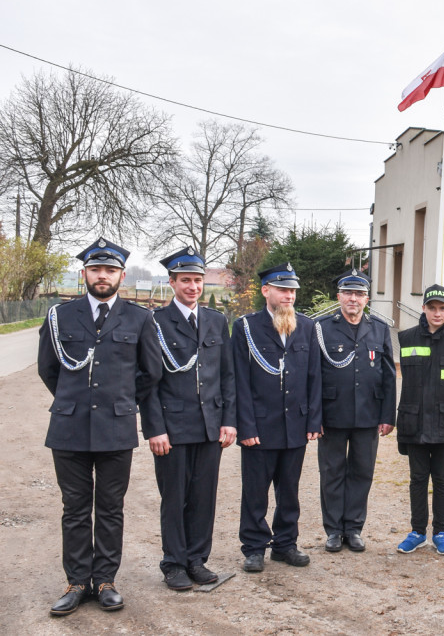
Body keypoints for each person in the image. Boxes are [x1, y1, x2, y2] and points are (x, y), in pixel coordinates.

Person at [38, 238, 162, 615]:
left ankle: (105, 580)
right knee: (74, 509)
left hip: (116, 428)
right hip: (70, 428)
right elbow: (49, 369)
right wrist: (72, 399)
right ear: (85, 274)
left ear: (121, 276)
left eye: (110, 270)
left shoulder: (140, 318)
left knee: (110, 508)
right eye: (96, 269)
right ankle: (76, 582)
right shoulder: (60, 316)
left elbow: (150, 371)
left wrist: (121, 400)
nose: (102, 276)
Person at [143, 247, 237, 591]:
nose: (193, 286)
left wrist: (229, 420)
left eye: (198, 280)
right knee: (174, 497)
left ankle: (197, 559)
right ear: (172, 283)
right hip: (173, 427)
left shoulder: (215, 320)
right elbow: (148, 381)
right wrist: (155, 428)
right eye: (186, 280)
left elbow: (227, 375)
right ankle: (174, 563)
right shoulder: (154, 322)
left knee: (203, 496)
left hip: (210, 425)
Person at [233, 263, 322, 572]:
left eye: (293, 290)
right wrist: (245, 424)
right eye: (283, 289)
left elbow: (314, 376)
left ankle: (285, 544)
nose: (289, 295)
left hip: (295, 425)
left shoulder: (308, 327)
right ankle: (254, 547)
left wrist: (313, 420)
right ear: (265, 291)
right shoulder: (246, 327)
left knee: (289, 490)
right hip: (260, 425)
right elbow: (239, 380)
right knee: (255, 491)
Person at [315, 270, 396, 553]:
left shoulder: (379, 328)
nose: (353, 298)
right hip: (332, 414)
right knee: (332, 473)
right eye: (348, 293)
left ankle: (354, 528)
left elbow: (388, 376)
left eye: (359, 294)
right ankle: (334, 530)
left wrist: (388, 416)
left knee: (362, 472)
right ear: (338, 297)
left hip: (367, 415)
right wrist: (315, 417)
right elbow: (313, 376)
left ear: (367, 298)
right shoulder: (322, 328)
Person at [395, 285, 444, 555]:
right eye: (432, 307)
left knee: (442, 478)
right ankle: (417, 532)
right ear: (424, 309)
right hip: (414, 421)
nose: (437, 313)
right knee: (417, 478)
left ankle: (441, 532)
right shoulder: (406, 338)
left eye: (442, 308)